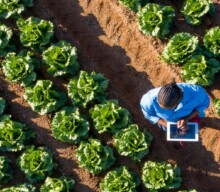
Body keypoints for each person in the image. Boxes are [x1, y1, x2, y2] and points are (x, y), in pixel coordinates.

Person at [140, 82, 210, 134]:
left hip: (190, 117)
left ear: (179, 101)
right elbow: (149, 115)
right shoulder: (148, 100)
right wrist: (167, 125)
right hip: (167, 123)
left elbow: (203, 105)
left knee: (193, 127)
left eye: (168, 108)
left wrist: (187, 118)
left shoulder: (197, 94)